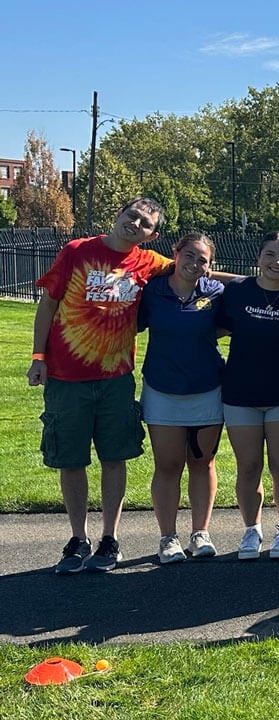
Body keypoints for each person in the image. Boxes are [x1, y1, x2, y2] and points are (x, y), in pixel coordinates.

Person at [30, 197, 173, 574]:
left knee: (114, 458)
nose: (135, 224)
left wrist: (256, 281)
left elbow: (193, 266)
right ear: (118, 214)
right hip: (66, 379)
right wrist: (38, 358)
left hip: (115, 381)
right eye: (132, 216)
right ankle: (78, 539)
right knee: (71, 460)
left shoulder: (147, 262)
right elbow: (47, 305)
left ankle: (110, 539)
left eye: (144, 224)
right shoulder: (76, 251)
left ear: (152, 235)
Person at [137, 232, 225, 564]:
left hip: (208, 389)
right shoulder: (152, 291)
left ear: (210, 265)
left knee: (202, 463)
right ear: (176, 253)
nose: (194, 263)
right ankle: (168, 538)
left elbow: (231, 324)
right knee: (168, 465)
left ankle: (200, 533)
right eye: (189, 255)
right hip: (162, 390)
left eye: (202, 260)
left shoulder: (216, 293)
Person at [218, 231, 279, 560]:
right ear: (259, 258)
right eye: (270, 254)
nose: (276, 262)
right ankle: (251, 530)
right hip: (240, 393)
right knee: (248, 466)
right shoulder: (239, 292)